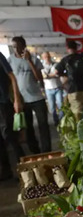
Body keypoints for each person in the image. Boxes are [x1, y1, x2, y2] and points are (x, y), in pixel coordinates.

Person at [9, 37, 51, 154]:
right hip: (22, 100)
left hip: (37, 97)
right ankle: (35, 152)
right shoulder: (10, 60)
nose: (16, 49)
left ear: (24, 46)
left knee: (43, 125)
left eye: (18, 46)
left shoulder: (34, 59)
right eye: (14, 47)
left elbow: (39, 78)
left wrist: (29, 61)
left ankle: (47, 151)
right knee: (28, 128)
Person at [0, 51, 25, 180]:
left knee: (9, 135)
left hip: (3, 102)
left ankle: (24, 169)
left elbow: (12, 77)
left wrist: (16, 99)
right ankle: (6, 171)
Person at [55, 40, 83, 119]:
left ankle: (79, 129)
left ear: (67, 48)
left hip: (72, 89)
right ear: (77, 48)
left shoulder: (65, 59)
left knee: (77, 113)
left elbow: (56, 72)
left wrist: (67, 75)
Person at [40, 52, 63, 126]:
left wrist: (48, 76)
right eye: (45, 57)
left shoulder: (55, 64)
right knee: (52, 107)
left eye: (48, 56)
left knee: (60, 104)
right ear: (43, 58)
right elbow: (43, 76)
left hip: (57, 87)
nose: (47, 58)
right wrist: (52, 75)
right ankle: (56, 121)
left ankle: (62, 120)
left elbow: (57, 73)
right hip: (48, 89)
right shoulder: (41, 66)